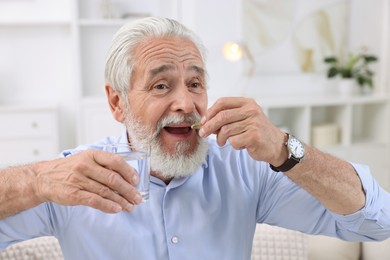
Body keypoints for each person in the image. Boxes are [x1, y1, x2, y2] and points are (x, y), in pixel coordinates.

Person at [1, 16, 390, 259]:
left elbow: (376, 222)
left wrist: (285, 147)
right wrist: (36, 180)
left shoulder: (245, 167)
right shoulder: (74, 179)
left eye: (195, 82)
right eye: (161, 86)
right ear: (117, 102)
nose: (185, 102)